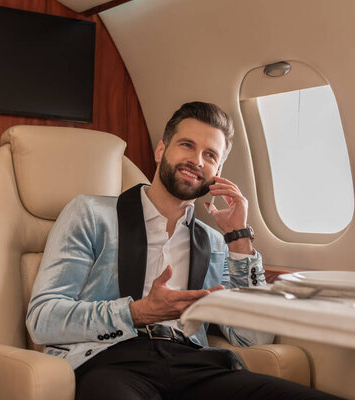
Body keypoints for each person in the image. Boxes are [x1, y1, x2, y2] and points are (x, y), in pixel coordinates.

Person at [26, 102, 342, 400]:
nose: (197, 161)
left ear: (217, 170)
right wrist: (137, 313)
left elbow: (252, 340)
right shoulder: (90, 214)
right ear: (161, 150)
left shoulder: (215, 243)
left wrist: (239, 238)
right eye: (187, 145)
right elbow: (42, 320)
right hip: (112, 361)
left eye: (210, 155)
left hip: (194, 363)